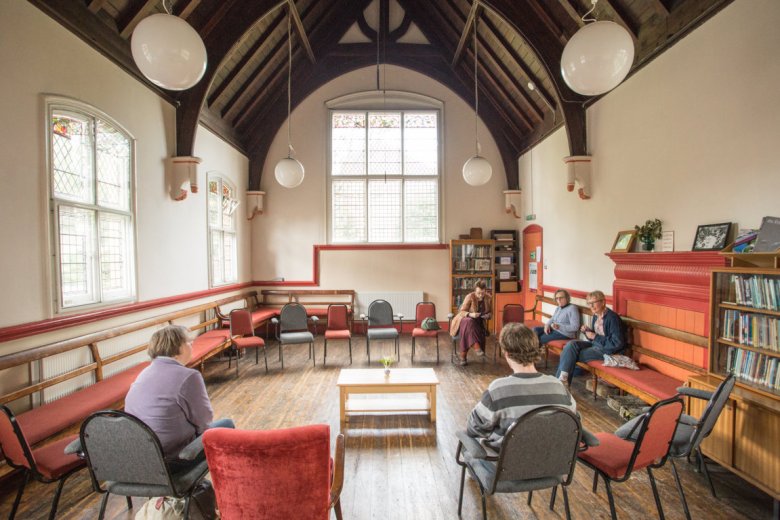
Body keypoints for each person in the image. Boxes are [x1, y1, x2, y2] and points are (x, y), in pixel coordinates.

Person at [125, 325, 234, 471]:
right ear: (179, 348)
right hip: (173, 460)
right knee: (227, 424)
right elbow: (204, 421)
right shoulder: (189, 376)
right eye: (189, 342)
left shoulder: (144, 373)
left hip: (142, 459)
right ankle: (227, 480)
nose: (191, 345)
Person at [466, 322, 576, 450]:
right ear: (536, 348)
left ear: (506, 353)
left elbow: (473, 428)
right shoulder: (559, 386)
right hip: (555, 466)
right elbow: (573, 422)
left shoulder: (498, 390)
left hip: (504, 466)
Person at [556, 290, 625, 383]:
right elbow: (595, 336)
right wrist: (587, 331)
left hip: (607, 351)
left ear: (603, 302)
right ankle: (562, 380)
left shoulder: (612, 318)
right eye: (589, 303)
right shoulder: (596, 316)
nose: (591, 306)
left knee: (570, 354)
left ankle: (561, 381)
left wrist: (595, 336)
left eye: (594, 303)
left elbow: (616, 343)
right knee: (571, 345)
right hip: (596, 345)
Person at [450, 280, 492, 366]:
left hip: (478, 322)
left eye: (482, 293)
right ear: (474, 291)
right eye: (478, 293)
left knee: (468, 331)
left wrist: (488, 316)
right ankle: (476, 346)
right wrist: (471, 314)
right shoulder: (469, 296)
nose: (480, 295)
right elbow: (461, 312)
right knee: (469, 321)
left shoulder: (488, 298)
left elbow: (491, 313)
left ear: (485, 291)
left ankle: (463, 357)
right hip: (463, 320)